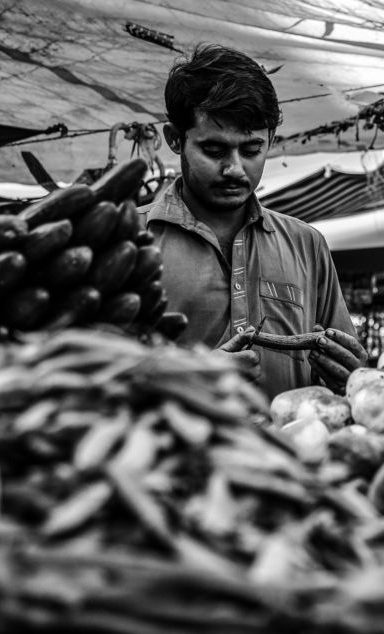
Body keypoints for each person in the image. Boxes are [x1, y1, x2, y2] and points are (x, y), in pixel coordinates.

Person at [142, 44, 367, 396]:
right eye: (213, 150)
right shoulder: (131, 240)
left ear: (270, 141)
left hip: (291, 448)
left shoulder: (307, 244)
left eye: (251, 150)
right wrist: (183, 383)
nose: (234, 169)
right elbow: (86, 381)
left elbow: (345, 381)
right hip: (168, 449)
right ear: (175, 140)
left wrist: (351, 377)